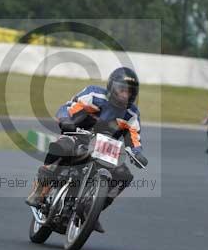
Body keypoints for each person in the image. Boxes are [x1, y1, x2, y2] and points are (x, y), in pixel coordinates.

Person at [25, 67, 149, 233]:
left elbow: (134, 137)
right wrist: (66, 120)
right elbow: (69, 107)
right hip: (79, 136)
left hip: (106, 149)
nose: (125, 95)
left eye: (130, 92)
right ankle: (41, 188)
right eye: (122, 90)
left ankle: (92, 210)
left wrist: (138, 152)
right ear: (112, 86)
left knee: (124, 175)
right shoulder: (94, 95)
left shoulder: (132, 114)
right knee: (62, 146)